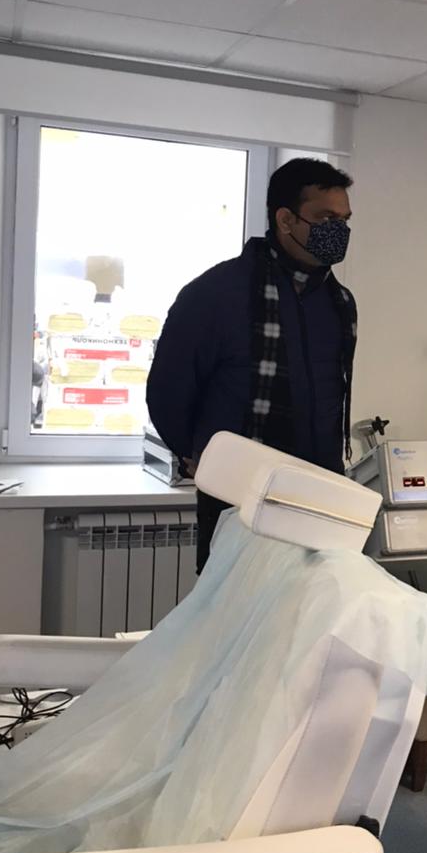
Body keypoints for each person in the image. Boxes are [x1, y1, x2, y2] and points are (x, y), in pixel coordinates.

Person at [147, 158, 357, 572]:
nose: (340, 231)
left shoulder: (339, 302)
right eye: (326, 218)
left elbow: (335, 395)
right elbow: (168, 391)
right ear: (285, 219)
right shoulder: (216, 293)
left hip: (316, 497)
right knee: (231, 603)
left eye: (345, 220)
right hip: (237, 498)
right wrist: (199, 456)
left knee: (307, 605)